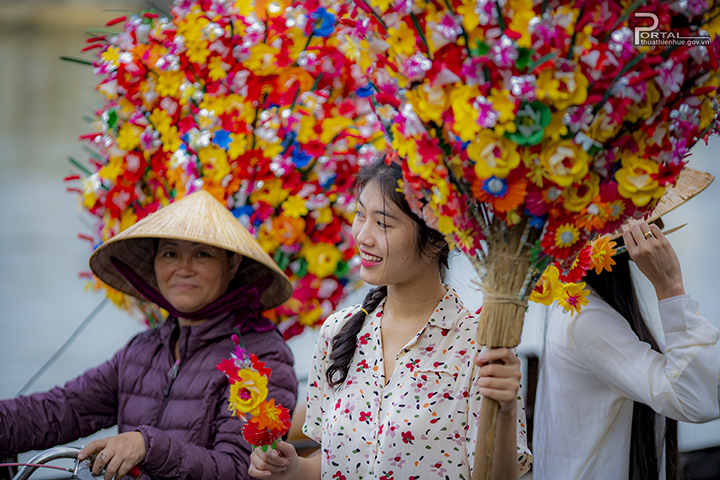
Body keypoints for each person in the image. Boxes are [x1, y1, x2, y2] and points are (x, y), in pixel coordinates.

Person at [248, 158, 532, 479]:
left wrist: (505, 411)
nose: (363, 236)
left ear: (437, 236)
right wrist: (292, 467)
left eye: (383, 223)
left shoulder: (479, 346)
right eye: (360, 214)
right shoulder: (338, 331)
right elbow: (334, 466)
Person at [0, 190, 298, 480]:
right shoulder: (142, 350)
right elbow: (62, 408)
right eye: (170, 253)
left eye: (202, 255)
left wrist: (147, 447)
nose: (183, 268)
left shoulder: (261, 357)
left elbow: (240, 470)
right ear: (155, 263)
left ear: (231, 264)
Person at [533, 169, 720, 480]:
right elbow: (697, 401)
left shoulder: (578, 302)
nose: (658, 227)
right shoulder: (585, 317)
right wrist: (670, 287)